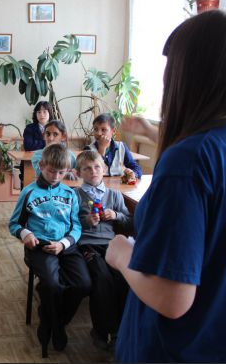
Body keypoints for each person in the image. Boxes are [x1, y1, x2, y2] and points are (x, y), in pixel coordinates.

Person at [106, 10, 226, 362]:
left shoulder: (190, 162)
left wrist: (121, 254)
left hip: (182, 350)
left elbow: (172, 297)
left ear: (191, 74)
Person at [8, 144, 90, 357]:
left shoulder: (70, 193)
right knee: (52, 285)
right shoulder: (29, 192)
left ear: (68, 171)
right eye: (51, 171)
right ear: (42, 165)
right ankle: (54, 327)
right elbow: (14, 224)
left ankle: (54, 322)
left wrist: (64, 243)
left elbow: (76, 226)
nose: (55, 177)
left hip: (66, 246)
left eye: (61, 173)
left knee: (83, 284)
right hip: (40, 248)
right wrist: (26, 234)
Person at [74, 150, 131, 351]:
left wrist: (115, 215)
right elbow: (69, 223)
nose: (93, 171)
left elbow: (128, 221)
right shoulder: (75, 195)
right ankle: (101, 331)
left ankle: (119, 332)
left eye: (97, 167)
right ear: (78, 173)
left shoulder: (114, 195)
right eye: (87, 168)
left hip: (110, 244)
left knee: (122, 277)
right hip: (87, 245)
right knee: (102, 277)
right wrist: (86, 221)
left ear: (104, 168)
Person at [85, 113, 142, 179]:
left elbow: (136, 168)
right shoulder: (89, 149)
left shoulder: (121, 146)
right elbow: (93, 171)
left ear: (113, 131)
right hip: (97, 184)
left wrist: (133, 173)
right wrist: (102, 148)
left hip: (117, 184)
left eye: (103, 130)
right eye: (95, 129)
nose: (99, 133)